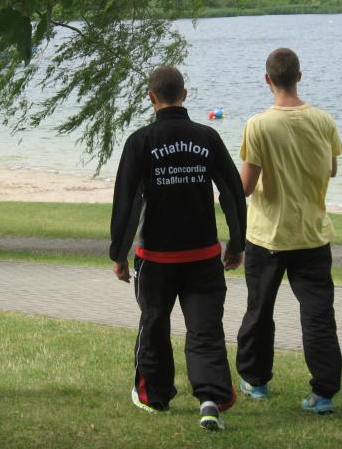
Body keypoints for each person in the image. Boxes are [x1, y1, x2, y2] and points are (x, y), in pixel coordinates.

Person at [110, 65, 247, 431]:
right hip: (203, 255)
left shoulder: (140, 141)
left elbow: (126, 203)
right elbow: (233, 193)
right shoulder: (207, 137)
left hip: (155, 258)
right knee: (205, 329)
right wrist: (237, 243)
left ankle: (154, 396)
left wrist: (118, 254)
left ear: (151, 97)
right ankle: (210, 399)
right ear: (184, 95)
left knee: (154, 325)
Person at [236, 47, 342, 414]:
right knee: (318, 315)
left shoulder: (258, 125)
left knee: (259, 310)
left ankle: (256, 381)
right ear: (299, 76)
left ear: (267, 79)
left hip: (267, 236)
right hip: (312, 234)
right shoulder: (324, 120)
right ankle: (323, 393)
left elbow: (246, 187)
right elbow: (331, 169)